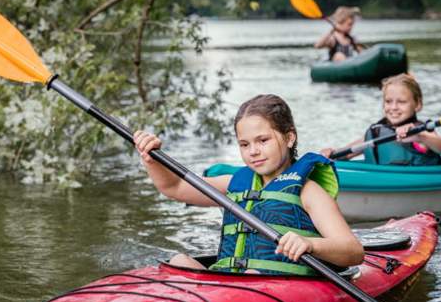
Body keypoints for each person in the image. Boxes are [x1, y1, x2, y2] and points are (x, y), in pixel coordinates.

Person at [134, 94, 364, 275]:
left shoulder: (308, 191)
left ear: (289, 137)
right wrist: (151, 159)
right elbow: (174, 188)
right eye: (244, 144)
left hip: (278, 288)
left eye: (263, 141)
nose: (253, 151)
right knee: (179, 261)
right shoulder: (234, 183)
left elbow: (352, 252)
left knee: (253, 273)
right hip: (233, 284)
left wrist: (310, 244)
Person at [321, 73, 441, 165]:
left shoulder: (421, 130)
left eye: (401, 102)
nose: (393, 107)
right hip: (378, 183)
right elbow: (347, 153)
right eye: (388, 101)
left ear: (417, 104)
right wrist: (330, 154)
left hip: (417, 183)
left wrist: (421, 137)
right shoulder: (377, 131)